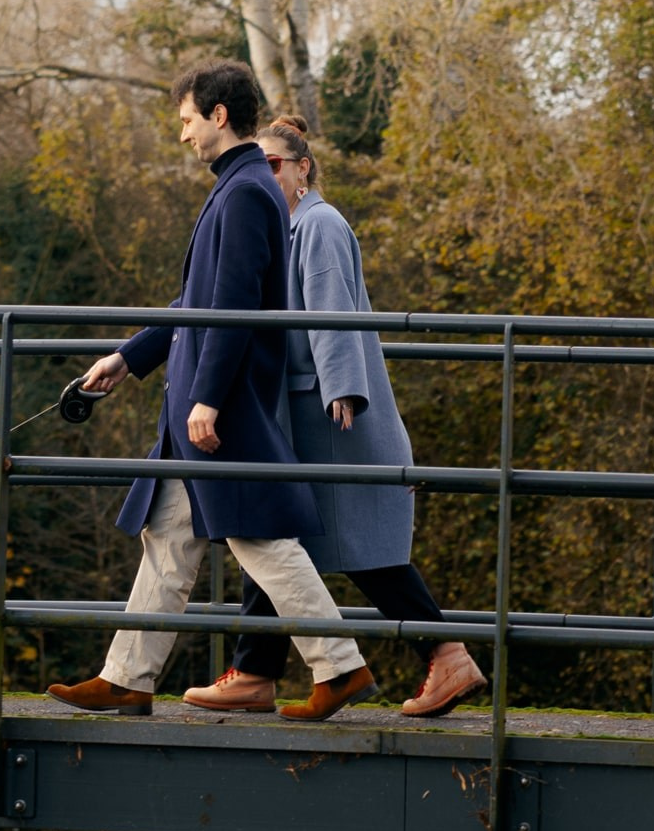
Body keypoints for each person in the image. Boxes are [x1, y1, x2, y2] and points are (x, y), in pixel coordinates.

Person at [46, 59, 377, 723]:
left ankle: (340, 667)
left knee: (262, 541)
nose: (182, 135)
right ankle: (128, 678)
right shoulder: (242, 186)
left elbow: (231, 306)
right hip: (202, 400)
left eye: (187, 120)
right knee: (168, 535)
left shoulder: (248, 189)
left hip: (217, 408)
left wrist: (207, 399)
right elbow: (197, 301)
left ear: (218, 115)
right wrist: (128, 356)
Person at [184, 112, 485, 720]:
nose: (265, 176)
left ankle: (444, 656)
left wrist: (343, 388)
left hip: (332, 420)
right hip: (305, 416)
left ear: (303, 168)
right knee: (279, 535)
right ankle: (255, 670)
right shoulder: (284, 226)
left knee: (343, 548)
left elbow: (331, 307)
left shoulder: (317, 223)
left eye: (275, 165)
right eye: (258, 165)